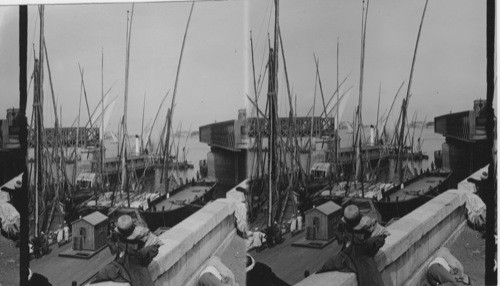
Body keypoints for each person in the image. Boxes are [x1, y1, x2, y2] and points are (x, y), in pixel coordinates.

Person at [317, 204, 389, 286]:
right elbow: (338, 229)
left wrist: (368, 243)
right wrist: (342, 238)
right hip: (348, 252)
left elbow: (381, 236)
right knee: (329, 264)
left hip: (363, 255)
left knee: (369, 278)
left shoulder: (367, 224)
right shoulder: (346, 223)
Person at [91, 215, 163, 286]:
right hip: (120, 263)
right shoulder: (118, 233)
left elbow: (155, 245)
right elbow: (110, 239)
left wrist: (145, 252)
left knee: (143, 283)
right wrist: (114, 248)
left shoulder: (141, 233)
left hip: (137, 265)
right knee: (103, 273)